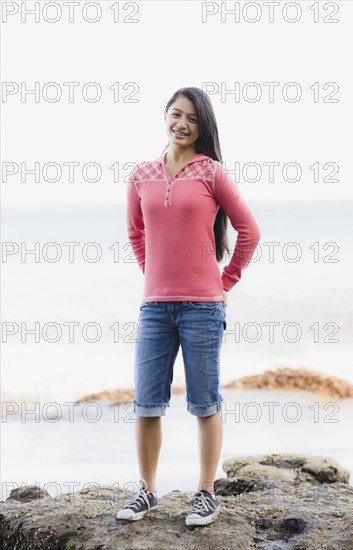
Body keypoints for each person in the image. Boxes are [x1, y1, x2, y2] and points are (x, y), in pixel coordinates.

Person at [116, 87, 261, 527]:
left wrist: (226, 281)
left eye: (192, 119)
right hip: (154, 309)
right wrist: (154, 276)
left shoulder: (212, 173)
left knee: (204, 403)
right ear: (165, 116)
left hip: (203, 308)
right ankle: (146, 491)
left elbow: (249, 232)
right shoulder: (141, 174)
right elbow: (136, 235)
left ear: (203, 127)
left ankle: (206, 493)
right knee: (146, 403)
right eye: (176, 114)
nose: (182, 123)